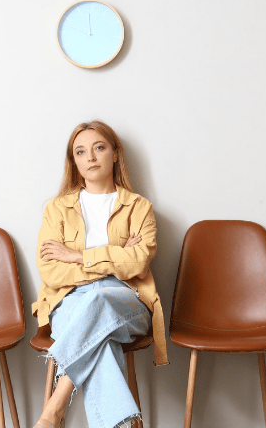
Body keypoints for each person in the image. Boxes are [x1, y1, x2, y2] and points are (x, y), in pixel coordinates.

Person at [32, 121, 169, 428]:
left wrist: (77, 257)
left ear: (115, 154)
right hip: (69, 299)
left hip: (127, 300)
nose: (91, 157)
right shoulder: (56, 209)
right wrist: (115, 256)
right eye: (81, 152)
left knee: (101, 296)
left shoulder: (139, 207)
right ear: (74, 162)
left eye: (99, 148)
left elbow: (138, 264)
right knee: (102, 341)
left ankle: (54, 407)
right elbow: (51, 271)